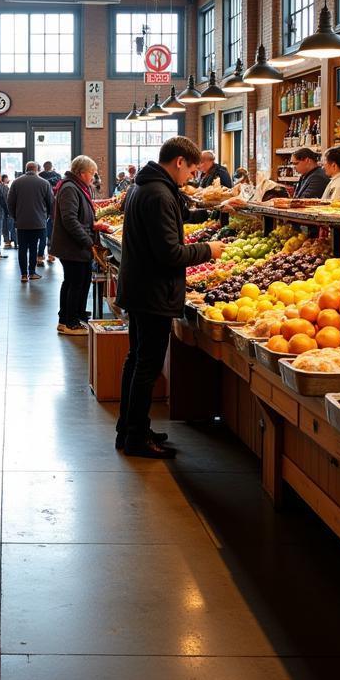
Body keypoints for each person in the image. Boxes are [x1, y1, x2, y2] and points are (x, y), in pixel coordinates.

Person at [115, 137, 224, 458]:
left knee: (136, 361)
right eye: (191, 171)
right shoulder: (159, 193)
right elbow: (169, 253)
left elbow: (174, 220)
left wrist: (214, 214)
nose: (191, 177)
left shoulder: (146, 187)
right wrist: (209, 250)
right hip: (153, 291)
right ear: (179, 162)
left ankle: (130, 428)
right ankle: (136, 438)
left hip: (140, 288)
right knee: (146, 366)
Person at [51, 156, 111, 336]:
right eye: (92, 173)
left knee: (78, 281)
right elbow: (69, 220)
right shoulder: (70, 188)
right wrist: (88, 241)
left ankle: (72, 316)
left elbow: (78, 217)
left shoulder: (75, 186)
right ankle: (70, 322)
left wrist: (94, 225)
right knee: (75, 282)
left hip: (76, 244)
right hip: (72, 246)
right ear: (82, 173)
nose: (93, 177)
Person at [8, 161, 54, 283]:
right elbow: (50, 202)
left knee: (22, 248)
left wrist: (15, 216)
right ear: (37, 169)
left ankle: (23, 274)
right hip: (38, 222)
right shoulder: (44, 183)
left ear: (26, 169)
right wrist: (47, 216)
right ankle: (32, 273)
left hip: (22, 222)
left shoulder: (16, 183)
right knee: (34, 247)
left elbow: (10, 202)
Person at [39, 161, 62, 263]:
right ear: (51, 166)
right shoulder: (57, 176)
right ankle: (51, 254)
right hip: (53, 208)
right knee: (51, 233)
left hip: (41, 208)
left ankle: (40, 256)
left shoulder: (39, 177)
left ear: (44, 167)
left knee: (41, 233)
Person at [0, 173, 15, 248]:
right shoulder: (5, 187)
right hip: (6, 208)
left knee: (4, 225)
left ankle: (7, 240)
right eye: (6, 178)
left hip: (2, 208)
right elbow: (7, 199)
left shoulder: (1, 186)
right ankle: (11, 239)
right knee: (9, 224)